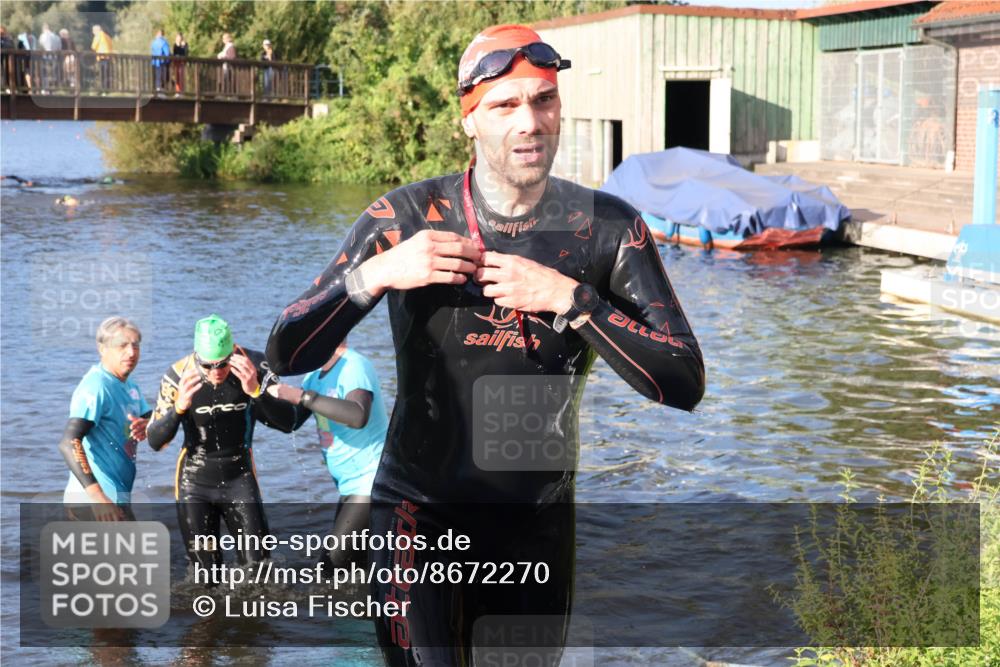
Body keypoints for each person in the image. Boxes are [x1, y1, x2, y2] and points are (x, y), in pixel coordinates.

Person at [266, 23, 705, 666]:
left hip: (535, 525)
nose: (529, 121)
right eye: (504, 105)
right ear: (469, 121)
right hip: (418, 515)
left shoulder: (606, 228)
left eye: (543, 100)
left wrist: (570, 300)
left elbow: (684, 381)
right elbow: (286, 353)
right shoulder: (406, 218)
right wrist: (376, 275)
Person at [147, 315, 296, 573]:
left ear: (233, 350)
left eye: (223, 363)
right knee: (206, 575)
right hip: (194, 482)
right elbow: (155, 441)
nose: (216, 372)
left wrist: (255, 391)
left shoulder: (256, 366)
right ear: (196, 355)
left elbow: (287, 423)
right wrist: (179, 408)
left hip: (240, 477)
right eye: (207, 365)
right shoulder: (177, 375)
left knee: (259, 570)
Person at [266, 339, 388, 568]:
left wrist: (303, 397)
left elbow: (358, 415)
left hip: (370, 482)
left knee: (331, 567)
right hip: (348, 486)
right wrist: (255, 393)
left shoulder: (354, 366)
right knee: (358, 568)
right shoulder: (313, 377)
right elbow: (289, 423)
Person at [58, 317, 151, 521]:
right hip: (95, 504)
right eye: (122, 346)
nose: (131, 352)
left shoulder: (130, 385)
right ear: (102, 349)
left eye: (135, 345)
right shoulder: (96, 386)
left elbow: (151, 417)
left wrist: (149, 425)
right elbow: (69, 443)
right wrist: (98, 498)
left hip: (117, 496)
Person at [37, 23, 60, 92]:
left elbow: (40, 46)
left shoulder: (42, 36)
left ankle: (45, 89)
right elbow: (59, 47)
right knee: (53, 73)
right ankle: (52, 89)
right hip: (54, 57)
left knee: (45, 73)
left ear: (44, 29)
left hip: (45, 57)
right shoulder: (56, 37)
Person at [91, 25, 112, 91]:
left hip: (101, 57)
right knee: (107, 74)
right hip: (109, 57)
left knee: (102, 74)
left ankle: (103, 89)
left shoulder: (98, 36)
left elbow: (93, 46)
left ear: (96, 30)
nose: (93, 33)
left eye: (93, 31)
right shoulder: (107, 36)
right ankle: (108, 89)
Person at [150, 28, 170, 93]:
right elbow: (167, 53)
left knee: (156, 77)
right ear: (163, 34)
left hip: (154, 62)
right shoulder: (164, 42)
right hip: (162, 62)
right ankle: (162, 91)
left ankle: (156, 90)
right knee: (163, 77)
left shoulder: (154, 42)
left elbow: (152, 51)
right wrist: (168, 61)